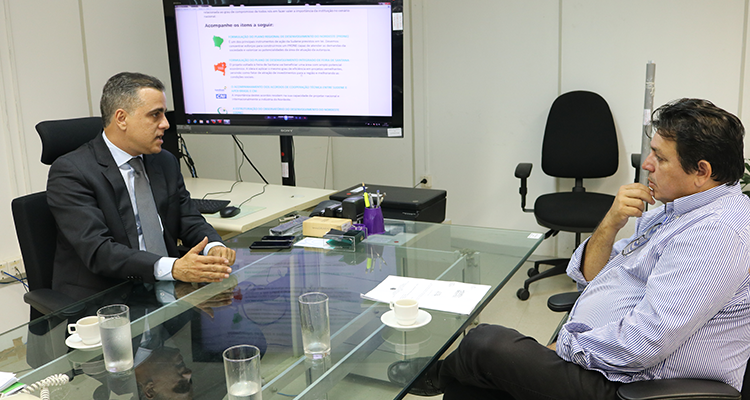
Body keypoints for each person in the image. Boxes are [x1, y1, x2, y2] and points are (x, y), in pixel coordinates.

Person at [404, 98, 750, 399]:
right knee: (471, 388)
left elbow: (642, 346)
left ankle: (435, 374)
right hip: (609, 362)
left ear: (701, 172)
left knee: (484, 345)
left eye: (659, 158)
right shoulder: (678, 210)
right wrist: (611, 222)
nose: (647, 165)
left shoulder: (717, 234)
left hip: (633, 386)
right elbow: (591, 277)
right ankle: (450, 376)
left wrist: (560, 349)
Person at [47, 72, 236, 301]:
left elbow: (187, 218)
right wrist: (174, 268)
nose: (165, 124)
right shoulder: (71, 172)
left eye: (164, 114)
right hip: (106, 299)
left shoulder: (163, 161)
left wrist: (213, 247)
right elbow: (99, 251)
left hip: (167, 292)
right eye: (155, 115)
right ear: (121, 118)